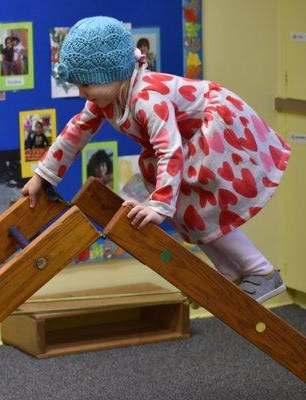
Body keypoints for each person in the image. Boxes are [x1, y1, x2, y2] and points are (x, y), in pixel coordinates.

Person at [22, 16, 290, 304]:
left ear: (112, 73)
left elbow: (169, 150)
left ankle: (261, 272)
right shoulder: (107, 99)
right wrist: (44, 176)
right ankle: (228, 271)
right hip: (184, 144)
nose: (81, 93)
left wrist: (160, 205)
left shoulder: (148, 98)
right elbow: (75, 132)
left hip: (215, 131)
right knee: (190, 213)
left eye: (86, 84)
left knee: (202, 209)